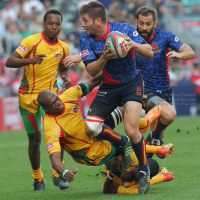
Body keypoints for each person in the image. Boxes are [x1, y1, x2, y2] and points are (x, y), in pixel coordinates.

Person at [37, 75, 174, 189]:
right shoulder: (51, 127)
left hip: (95, 132)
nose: (58, 102)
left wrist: (111, 70)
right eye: (53, 103)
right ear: (46, 110)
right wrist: (64, 171)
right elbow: (54, 159)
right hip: (91, 152)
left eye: (57, 98)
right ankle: (143, 154)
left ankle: (144, 123)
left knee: (121, 111)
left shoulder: (67, 96)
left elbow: (93, 81)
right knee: (128, 163)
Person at [79, 2, 153, 194]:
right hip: (109, 87)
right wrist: (104, 57)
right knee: (91, 127)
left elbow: (150, 52)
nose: (82, 24)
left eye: (85, 20)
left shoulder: (124, 29)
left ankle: (144, 171)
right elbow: (91, 70)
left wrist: (133, 44)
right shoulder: (85, 39)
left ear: (97, 20)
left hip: (131, 83)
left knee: (131, 128)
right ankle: (122, 143)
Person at [6, 9, 70, 191]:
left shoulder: (63, 47)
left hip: (50, 97)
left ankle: (58, 175)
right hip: (28, 98)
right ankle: (38, 178)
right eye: (51, 23)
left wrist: (66, 77)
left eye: (58, 24)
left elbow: (64, 68)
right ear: (44, 24)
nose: (54, 27)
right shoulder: (31, 41)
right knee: (34, 140)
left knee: (58, 135)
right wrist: (30, 61)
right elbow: (10, 61)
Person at [134, 6, 195, 158]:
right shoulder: (131, 36)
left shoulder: (164, 36)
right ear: (136, 21)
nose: (144, 27)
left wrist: (181, 56)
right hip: (145, 89)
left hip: (164, 90)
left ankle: (140, 166)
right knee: (169, 115)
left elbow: (190, 52)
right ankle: (147, 148)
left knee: (157, 142)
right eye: (141, 23)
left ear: (154, 23)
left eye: (148, 23)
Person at [103, 154, 174, 194]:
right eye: (140, 166)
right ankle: (164, 175)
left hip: (112, 180)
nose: (139, 170)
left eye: (144, 171)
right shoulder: (133, 160)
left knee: (148, 183)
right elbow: (106, 158)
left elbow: (108, 191)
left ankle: (163, 176)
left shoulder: (136, 189)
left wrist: (113, 173)